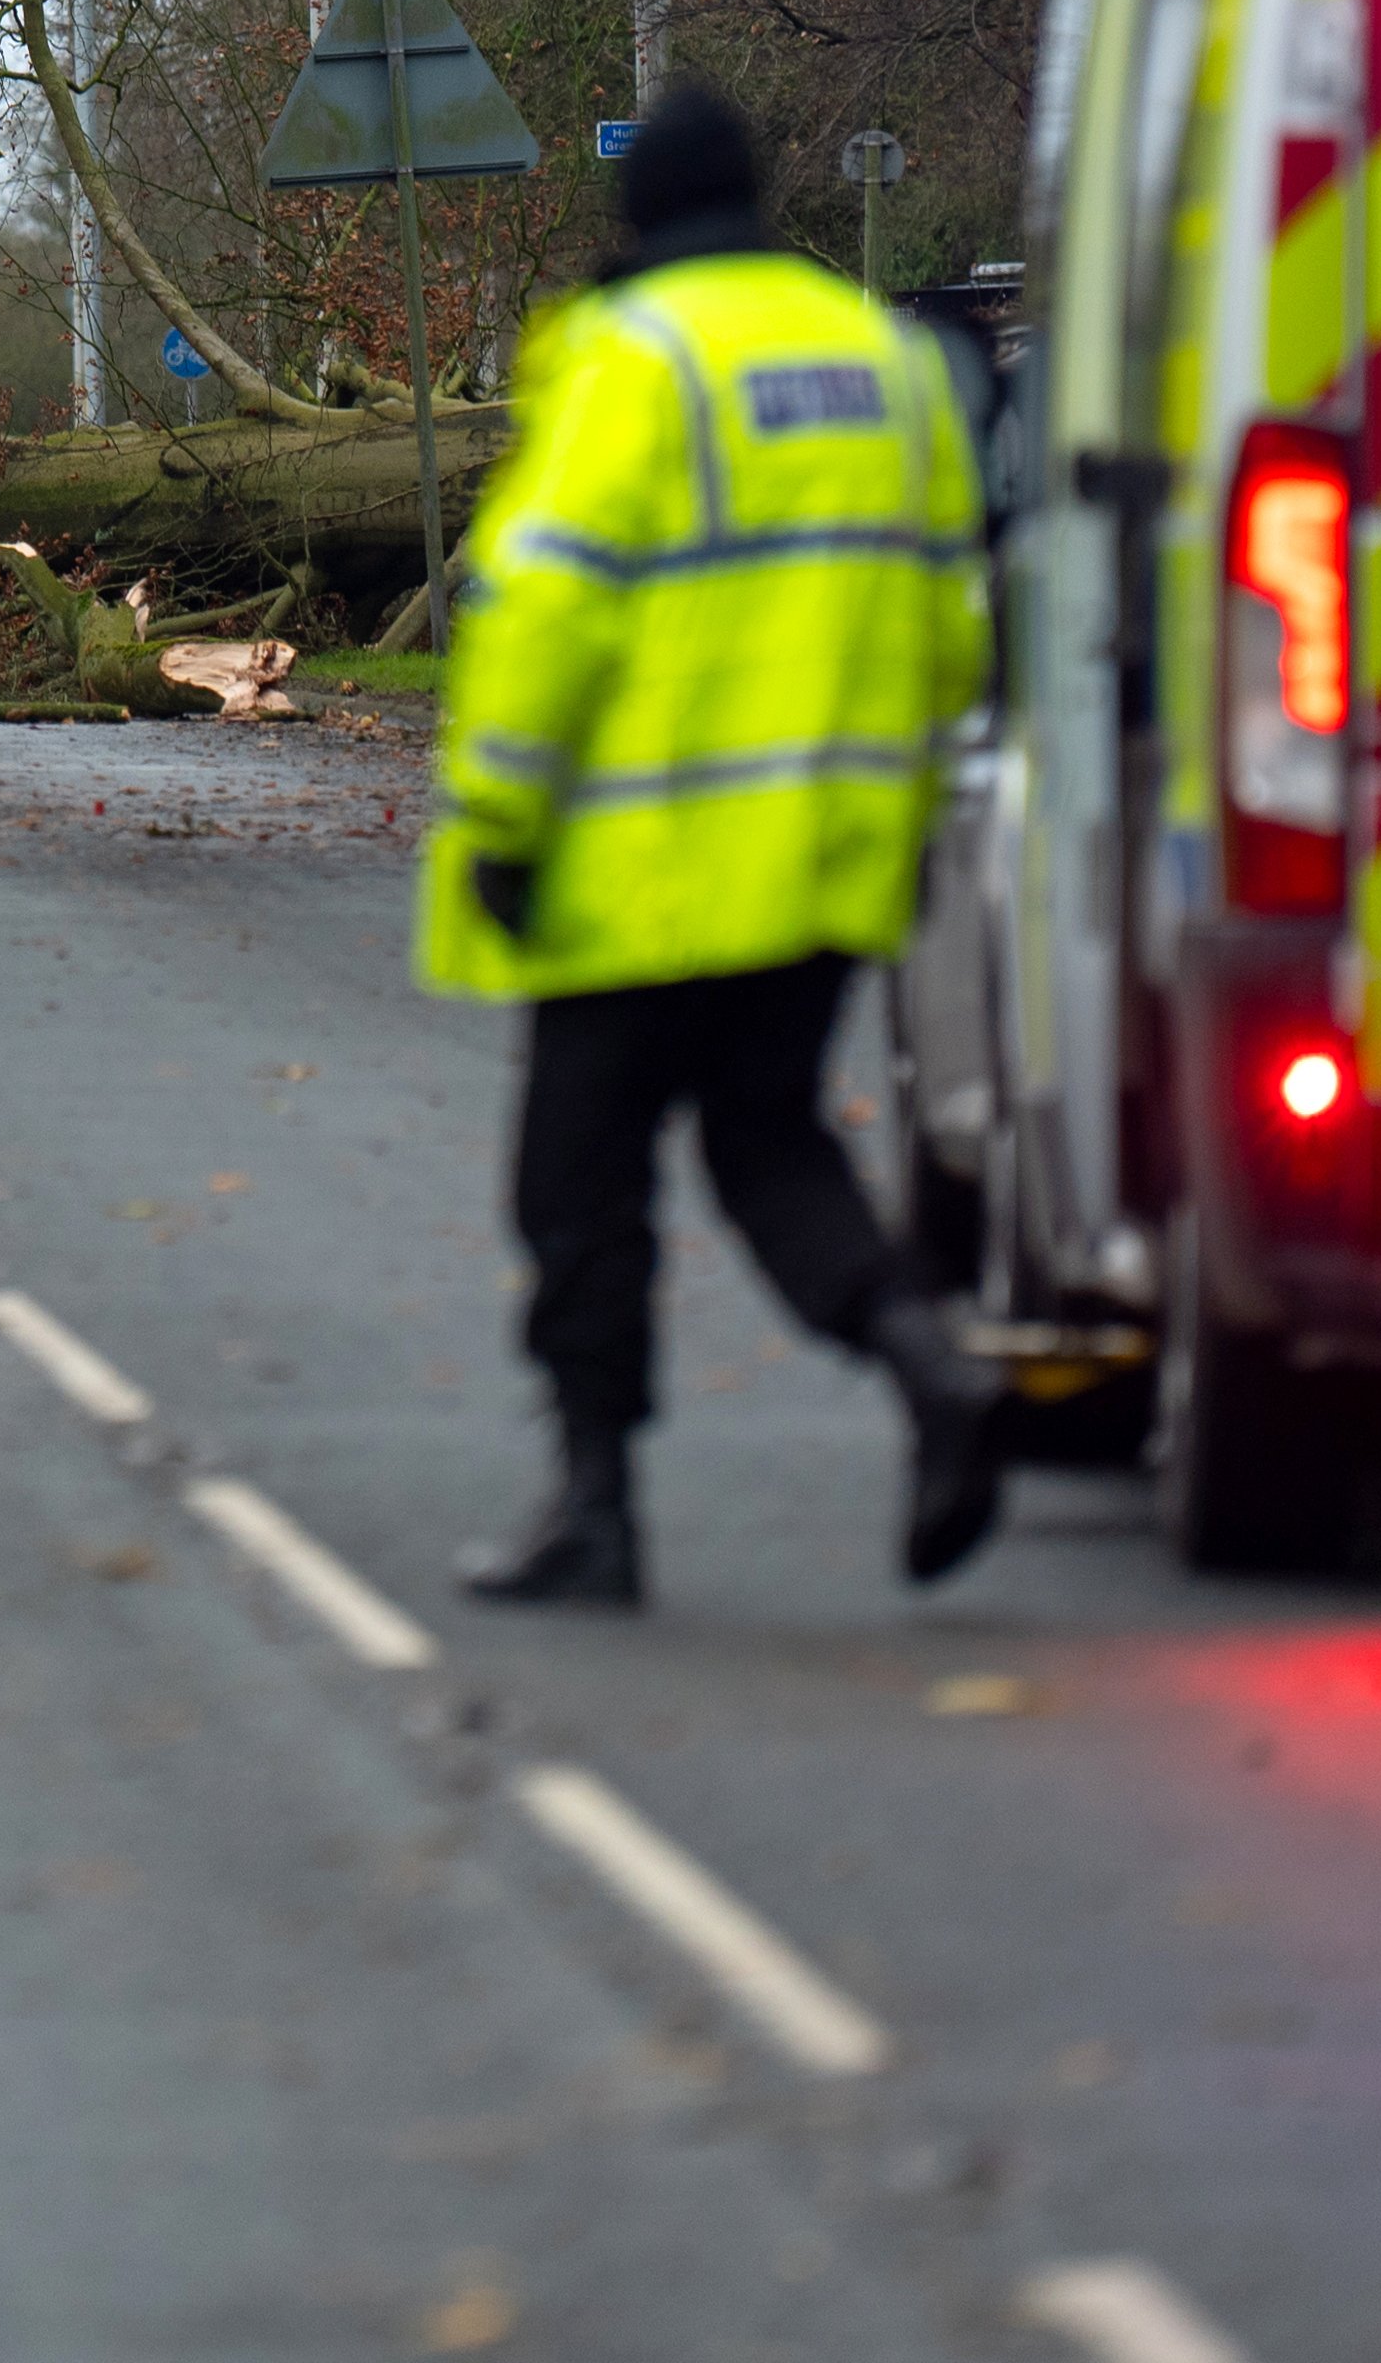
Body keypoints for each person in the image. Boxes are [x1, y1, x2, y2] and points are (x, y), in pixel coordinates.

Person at [417, 80, 1005, 1611]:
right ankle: (928, 1362)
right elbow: (955, 617)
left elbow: (547, 605)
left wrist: (501, 809)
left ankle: (596, 1505)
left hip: (638, 876)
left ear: (639, 216)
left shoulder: (636, 361)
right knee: (771, 1144)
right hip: (823, 866)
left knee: (580, 1189)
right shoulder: (885, 359)